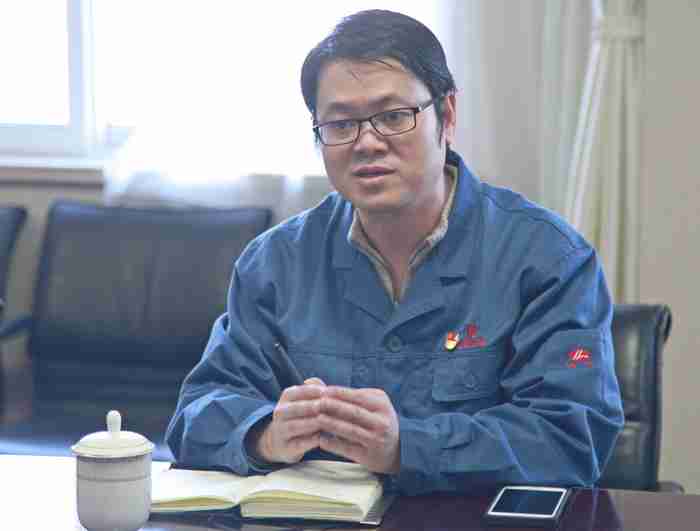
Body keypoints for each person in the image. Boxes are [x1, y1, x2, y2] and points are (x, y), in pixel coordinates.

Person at [165, 9, 623, 495]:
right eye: (341, 124)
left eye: (393, 117)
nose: (367, 143)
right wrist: (264, 434)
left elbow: (569, 438)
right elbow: (197, 413)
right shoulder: (275, 263)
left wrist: (408, 446)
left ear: (447, 116)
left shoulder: (550, 259)